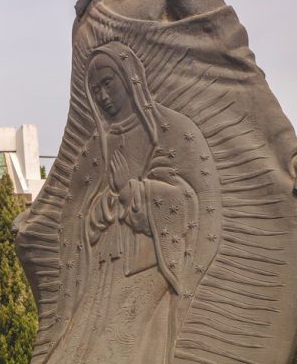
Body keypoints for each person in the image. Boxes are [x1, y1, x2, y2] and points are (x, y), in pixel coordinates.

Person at [14, 0, 297, 364]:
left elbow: (235, 68)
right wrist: (47, 208)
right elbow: (83, 127)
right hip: (113, 233)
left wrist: (285, 145)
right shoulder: (86, 18)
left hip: (168, 206)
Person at [45, 42, 219, 364]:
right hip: (105, 269)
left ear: (129, 78)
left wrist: (143, 193)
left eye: (108, 84)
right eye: (95, 90)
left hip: (151, 267)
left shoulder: (175, 131)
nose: (103, 97)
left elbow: (197, 204)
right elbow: (77, 215)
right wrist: (101, 211)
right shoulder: (98, 145)